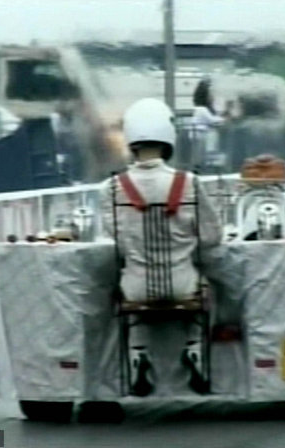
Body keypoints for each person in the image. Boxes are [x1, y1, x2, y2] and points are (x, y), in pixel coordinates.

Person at [100, 98, 223, 396]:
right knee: (213, 289)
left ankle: (137, 354)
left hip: (137, 287)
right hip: (183, 284)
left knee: (133, 304)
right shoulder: (189, 183)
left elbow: (114, 239)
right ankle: (195, 347)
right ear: (169, 137)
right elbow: (212, 236)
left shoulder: (113, 188)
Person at [191, 76, 225, 169]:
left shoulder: (201, 109)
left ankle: (203, 165)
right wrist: (224, 119)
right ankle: (202, 166)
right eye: (210, 95)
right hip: (199, 135)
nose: (212, 97)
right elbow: (212, 120)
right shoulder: (201, 109)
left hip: (200, 135)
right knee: (201, 153)